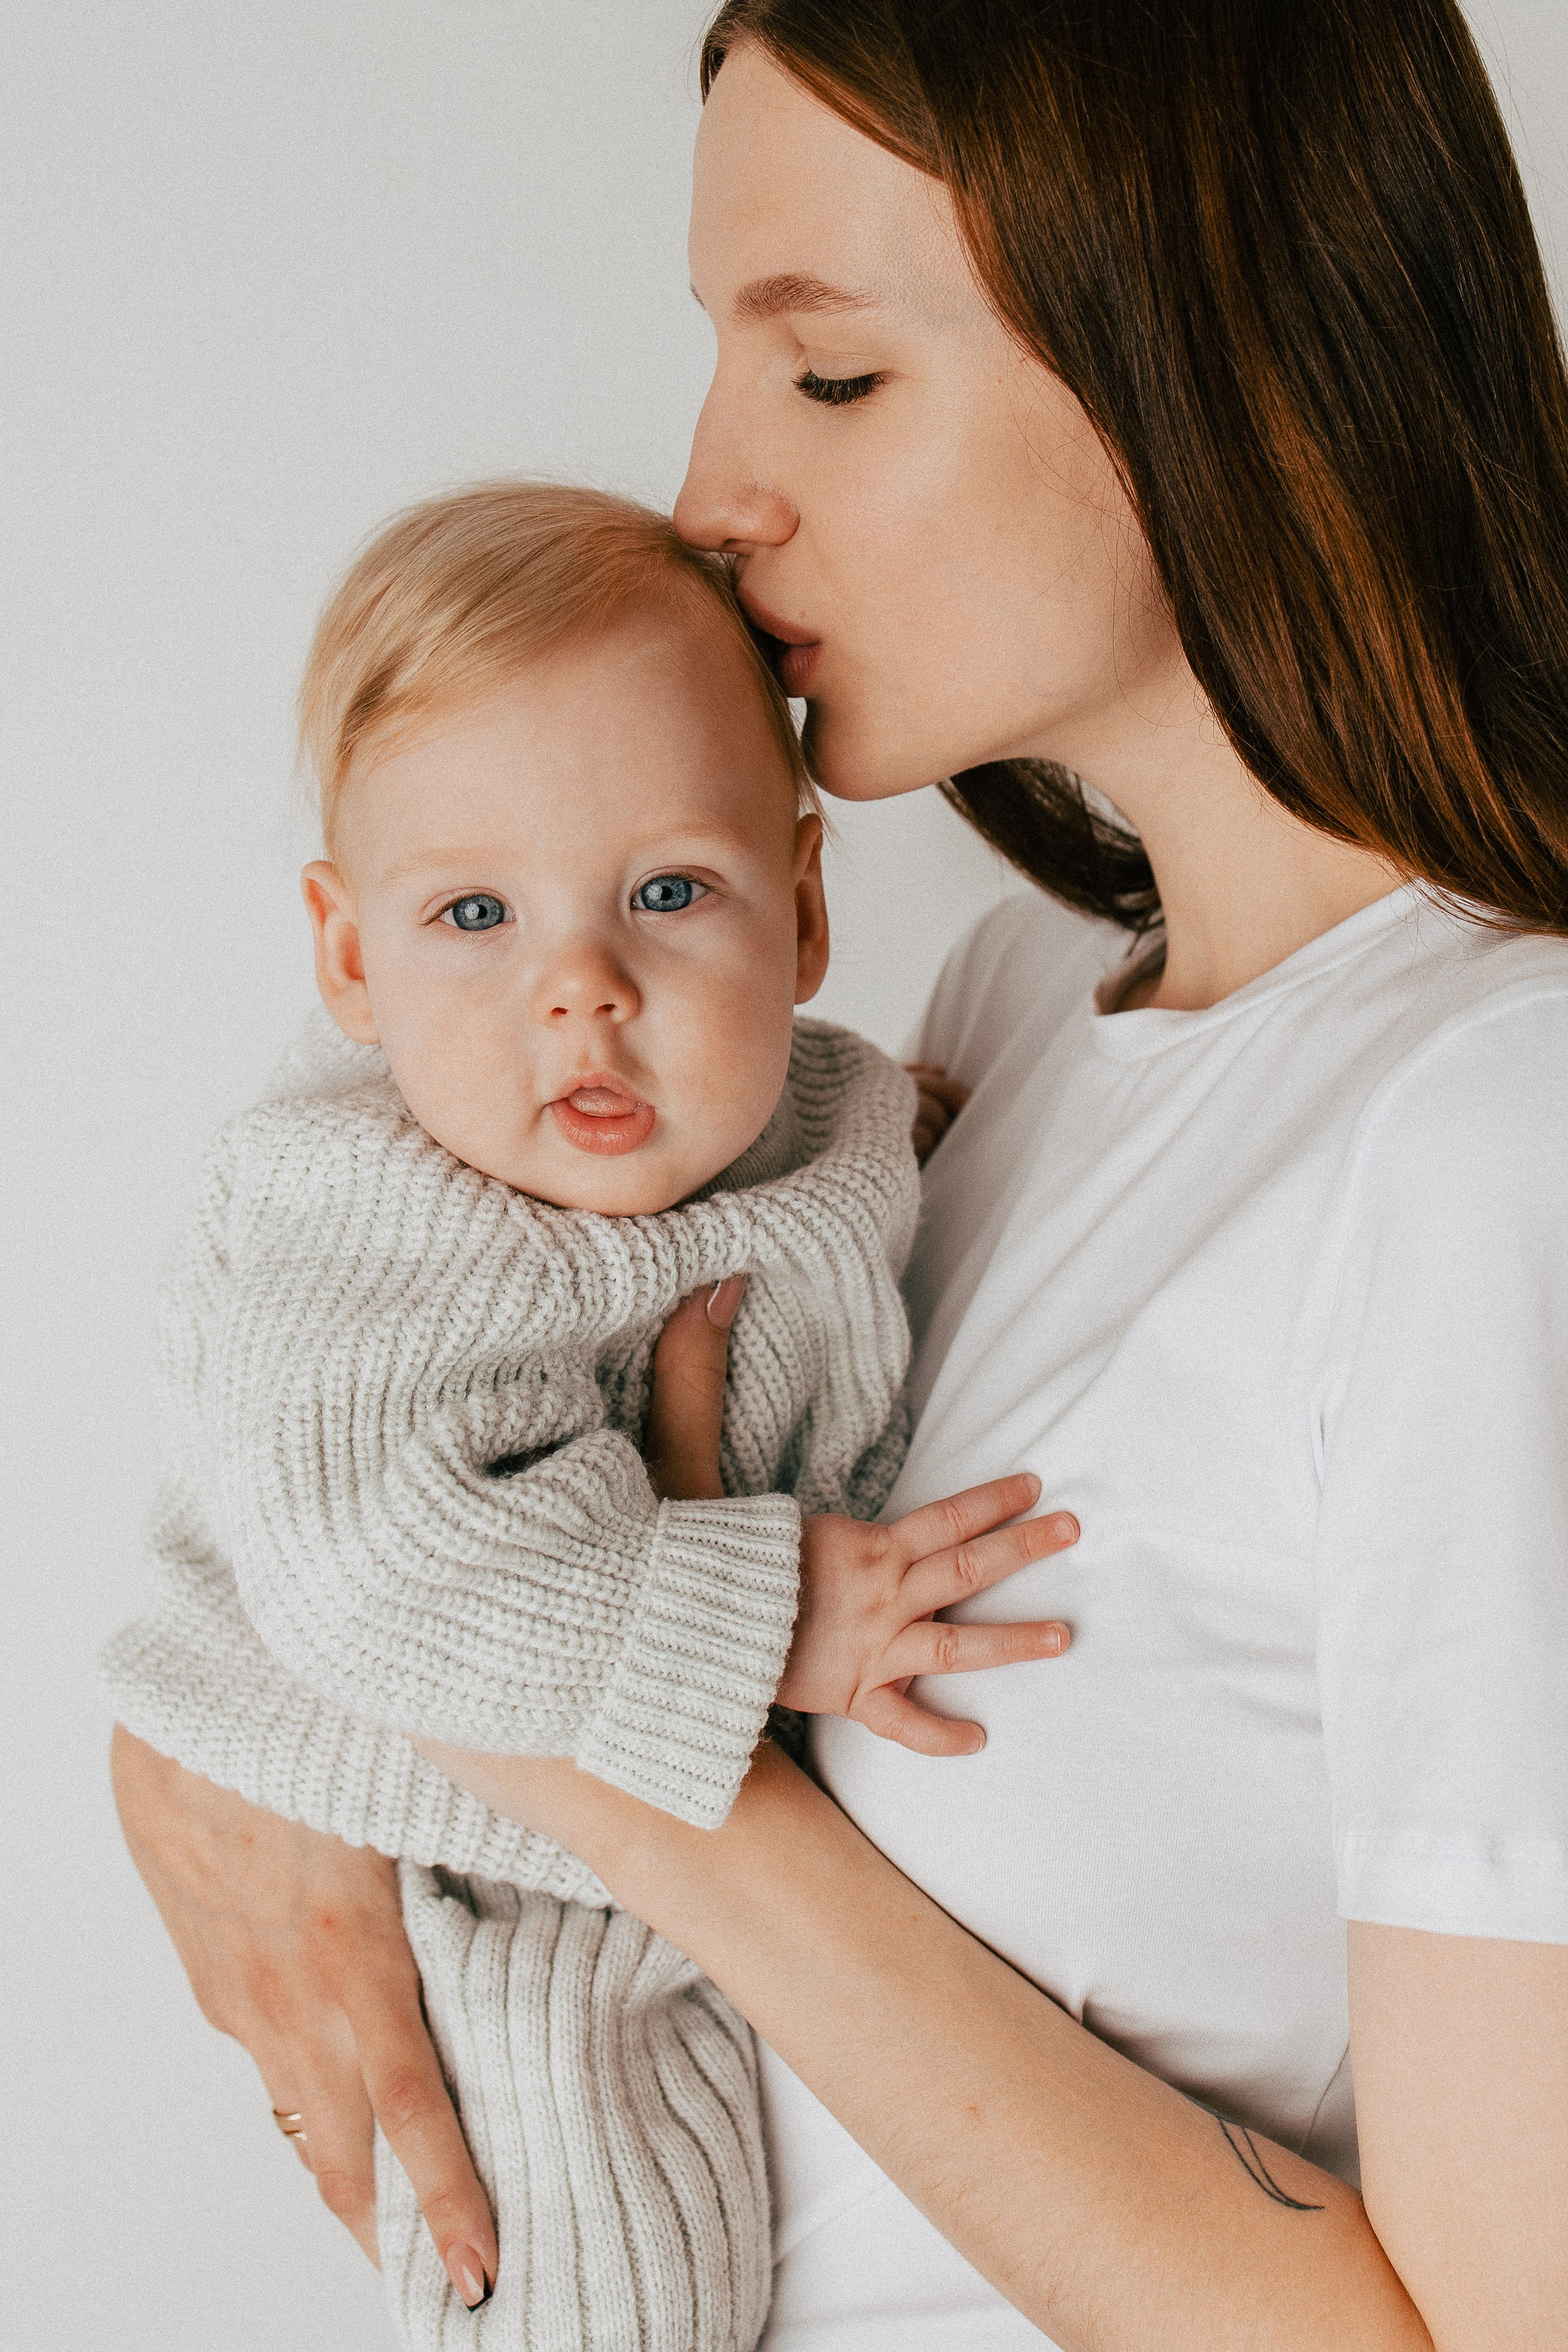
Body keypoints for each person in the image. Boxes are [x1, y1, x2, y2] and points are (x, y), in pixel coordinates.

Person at [112, 1, 1568, 2344]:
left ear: (1215, 357)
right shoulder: (974, 1042)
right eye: (719, 359)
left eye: (834, 375)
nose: (711, 493)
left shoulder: (1494, 1138)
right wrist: (192, 1738)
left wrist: (614, 1768)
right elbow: (392, 1388)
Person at [102, 478, 1071, 2344]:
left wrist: (912, 1139)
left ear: (801, 909)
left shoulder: (797, 1102)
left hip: (657, 1809)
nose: (583, 993)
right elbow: (372, 1571)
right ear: (349, 957)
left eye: (668, 893)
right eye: (474, 912)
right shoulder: (376, 1217)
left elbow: (826, 1149)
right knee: (604, 2244)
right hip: (461, 1862)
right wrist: (773, 1609)